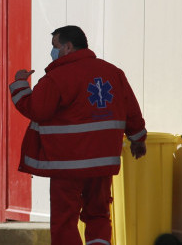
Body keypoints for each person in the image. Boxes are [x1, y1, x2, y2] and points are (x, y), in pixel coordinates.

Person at [9, 25, 147, 245]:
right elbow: (131, 110)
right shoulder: (113, 72)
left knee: (65, 220)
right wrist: (138, 140)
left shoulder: (57, 78)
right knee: (98, 215)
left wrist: (19, 85)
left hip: (67, 164)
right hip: (102, 162)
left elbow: (37, 110)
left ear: (68, 46)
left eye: (55, 46)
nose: (53, 51)